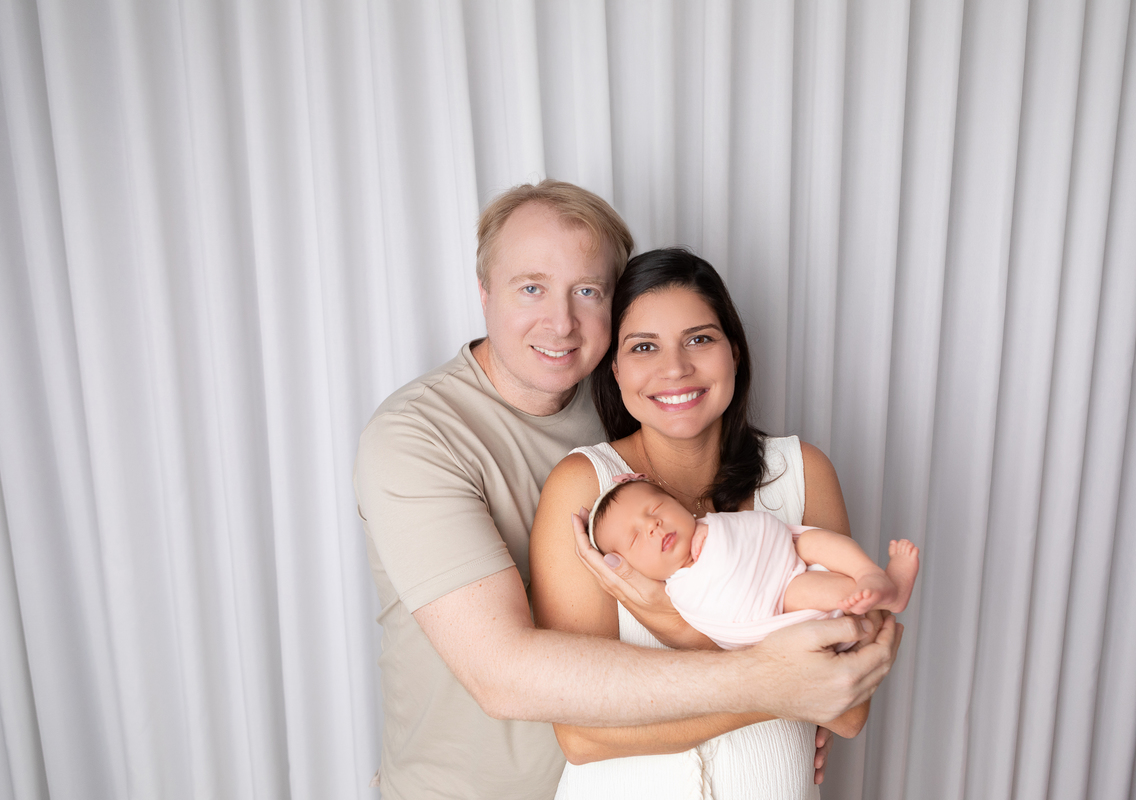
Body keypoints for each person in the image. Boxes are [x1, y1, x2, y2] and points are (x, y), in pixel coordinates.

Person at [355, 184, 902, 800]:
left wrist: (813, 690)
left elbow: (846, 697)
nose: (561, 322)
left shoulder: (640, 405)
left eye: (587, 291)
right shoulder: (418, 439)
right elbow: (509, 679)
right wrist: (786, 690)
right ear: (483, 291)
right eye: (531, 287)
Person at [529, 247, 893, 798]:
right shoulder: (584, 489)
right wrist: (786, 690)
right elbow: (581, 735)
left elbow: (848, 710)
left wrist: (678, 630)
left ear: (735, 352)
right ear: (616, 369)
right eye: (643, 346)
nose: (675, 368)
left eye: (699, 339)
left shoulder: (802, 473)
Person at [588, 475, 919, 649]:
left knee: (815, 541)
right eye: (635, 538)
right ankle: (884, 596)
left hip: (787, 550)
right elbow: (726, 618)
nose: (652, 525)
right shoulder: (681, 590)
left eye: (655, 509)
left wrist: (713, 535)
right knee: (814, 591)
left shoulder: (711, 523)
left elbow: (759, 530)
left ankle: (871, 574)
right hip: (779, 595)